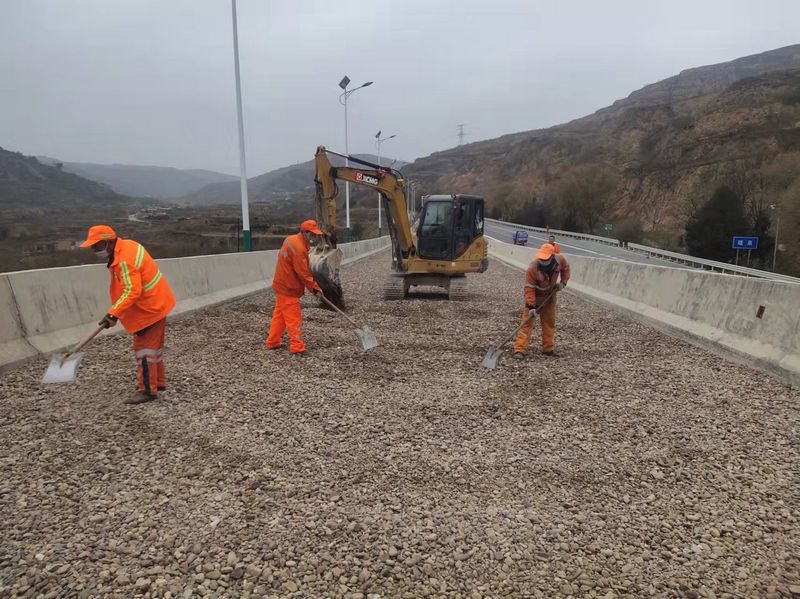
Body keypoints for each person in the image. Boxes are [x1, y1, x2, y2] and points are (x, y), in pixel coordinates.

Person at [80, 225, 176, 404]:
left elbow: (132, 290)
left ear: (109, 242)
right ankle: (158, 382)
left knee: (144, 351)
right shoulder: (128, 246)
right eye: (93, 246)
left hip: (149, 310)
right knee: (154, 349)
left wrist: (113, 314)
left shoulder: (124, 260)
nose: (94, 250)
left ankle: (147, 390)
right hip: (157, 303)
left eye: (97, 246)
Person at [266, 219, 324, 355]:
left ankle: (273, 342)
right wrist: (315, 289)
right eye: (312, 234)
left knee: (280, 316)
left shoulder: (291, 239)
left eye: (316, 235)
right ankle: (297, 347)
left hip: (281, 284)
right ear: (304, 233)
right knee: (294, 319)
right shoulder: (299, 249)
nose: (315, 237)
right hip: (289, 288)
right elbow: (303, 273)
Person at [513, 242, 570, 358]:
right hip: (535, 297)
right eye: (541, 259)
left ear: (552, 257)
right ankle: (519, 350)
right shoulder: (533, 268)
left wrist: (563, 282)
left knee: (549, 323)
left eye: (546, 259)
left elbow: (566, 268)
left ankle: (548, 349)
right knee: (527, 324)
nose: (543, 261)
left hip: (549, 297)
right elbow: (529, 288)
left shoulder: (559, 260)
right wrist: (531, 307)